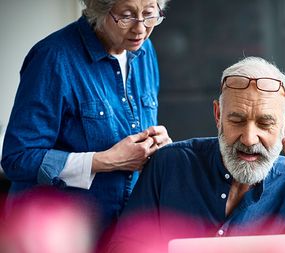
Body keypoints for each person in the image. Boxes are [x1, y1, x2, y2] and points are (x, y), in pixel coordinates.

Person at [106, 56, 285, 253]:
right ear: (218, 116)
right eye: (236, 120)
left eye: (265, 123)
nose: (249, 138)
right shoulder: (168, 166)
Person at [0, 0, 172, 231]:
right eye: (127, 16)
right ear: (98, 8)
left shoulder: (144, 50)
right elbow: (18, 158)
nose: (140, 28)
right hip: (60, 233)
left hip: (123, 228)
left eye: (150, 14)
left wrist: (156, 146)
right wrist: (105, 161)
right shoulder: (52, 57)